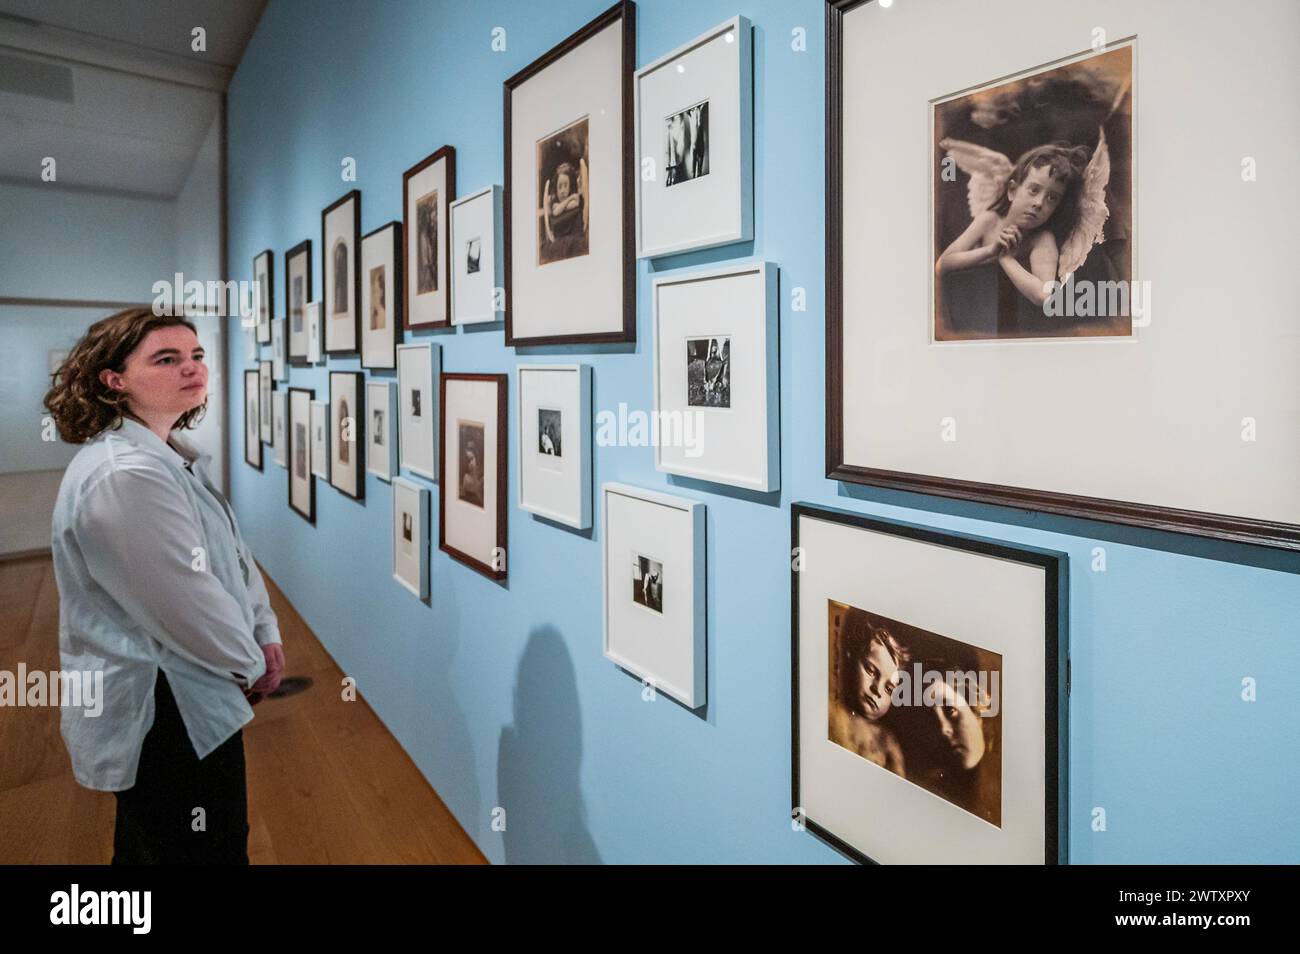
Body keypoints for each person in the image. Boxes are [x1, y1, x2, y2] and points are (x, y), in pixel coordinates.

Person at [44, 308, 285, 864]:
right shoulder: (124, 475)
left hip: (184, 689)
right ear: (114, 379)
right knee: (193, 850)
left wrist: (263, 630)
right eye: (166, 358)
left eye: (196, 355)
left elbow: (230, 559)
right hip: (164, 704)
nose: (191, 368)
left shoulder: (163, 456)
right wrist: (251, 663)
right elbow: (184, 602)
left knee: (158, 847)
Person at [935, 141, 1091, 336]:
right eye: (1034, 190)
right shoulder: (989, 221)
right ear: (1012, 191)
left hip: (1010, 323)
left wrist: (1005, 257)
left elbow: (1044, 295)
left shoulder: (1041, 240)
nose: (1039, 203)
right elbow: (943, 264)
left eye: (1052, 198)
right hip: (968, 308)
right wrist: (991, 250)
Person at [828, 609, 908, 775]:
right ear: (851, 656)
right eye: (871, 671)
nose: (877, 690)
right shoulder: (830, 713)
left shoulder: (887, 742)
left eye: (889, 688)